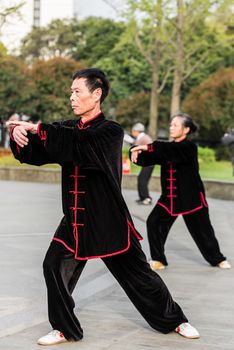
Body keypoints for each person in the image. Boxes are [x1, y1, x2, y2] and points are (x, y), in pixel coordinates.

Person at [8, 69, 199, 346]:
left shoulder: (109, 131)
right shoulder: (69, 129)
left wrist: (39, 129)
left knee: (139, 276)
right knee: (53, 266)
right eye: (71, 92)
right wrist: (18, 136)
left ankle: (175, 320)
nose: (71, 97)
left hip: (108, 220)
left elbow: (78, 146)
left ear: (96, 94)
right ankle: (64, 328)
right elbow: (42, 149)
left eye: (77, 91)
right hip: (74, 219)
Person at [131, 112, 231, 271]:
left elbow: (171, 150)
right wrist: (135, 151)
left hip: (191, 199)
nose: (171, 127)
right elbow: (148, 158)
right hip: (169, 199)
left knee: (203, 232)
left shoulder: (189, 147)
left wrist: (148, 146)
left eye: (175, 125)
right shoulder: (166, 149)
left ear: (185, 130)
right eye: (171, 125)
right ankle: (158, 259)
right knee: (154, 223)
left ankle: (217, 259)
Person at [131, 123, 154, 205]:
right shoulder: (142, 137)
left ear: (136, 131)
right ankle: (142, 197)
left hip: (149, 162)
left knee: (142, 180)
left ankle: (146, 198)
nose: (132, 133)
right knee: (141, 179)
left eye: (133, 131)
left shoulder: (142, 138)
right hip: (148, 162)